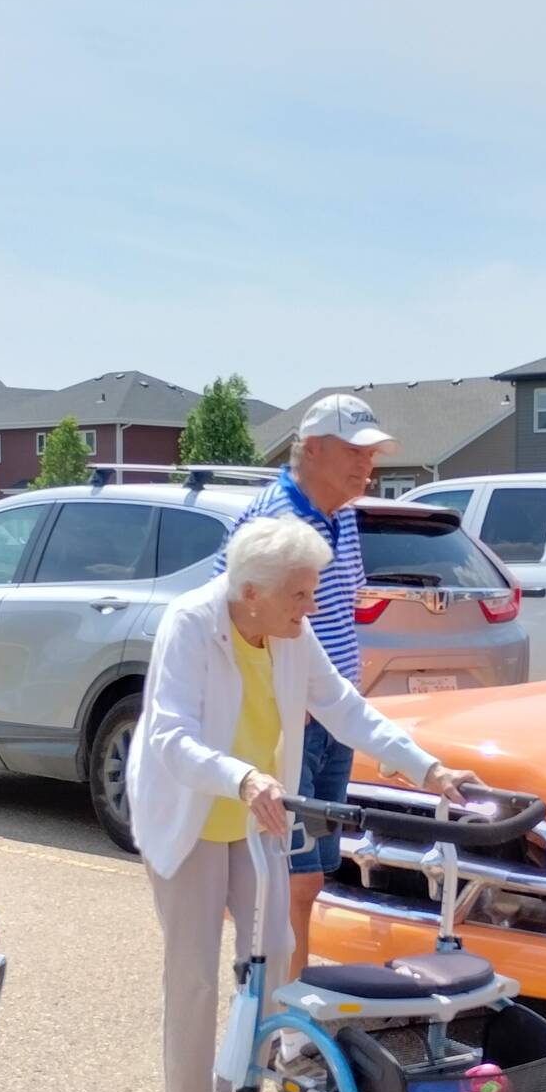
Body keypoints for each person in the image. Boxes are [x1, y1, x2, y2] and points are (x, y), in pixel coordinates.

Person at [130, 515, 474, 1092]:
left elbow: (344, 705)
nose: (312, 607)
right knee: (196, 969)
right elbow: (168, 737)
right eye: (301, 593)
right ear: (253, 590)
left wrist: (427, 766)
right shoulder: (190, 624)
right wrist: (240, 777)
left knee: (274, 950)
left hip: (260, 810)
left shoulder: (289, 630)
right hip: (192, 812)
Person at [215, 393, 394, 989]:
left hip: (330, 717)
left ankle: (282, 1014)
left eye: (371, 454)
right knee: (290, 880)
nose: (366, 466)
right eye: (353, 451)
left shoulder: (341, 514)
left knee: (306, 881)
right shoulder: (273, 523)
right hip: (289, 723)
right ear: (310, 449)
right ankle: (281, 1025)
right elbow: (233, 623)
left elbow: (342, 612)